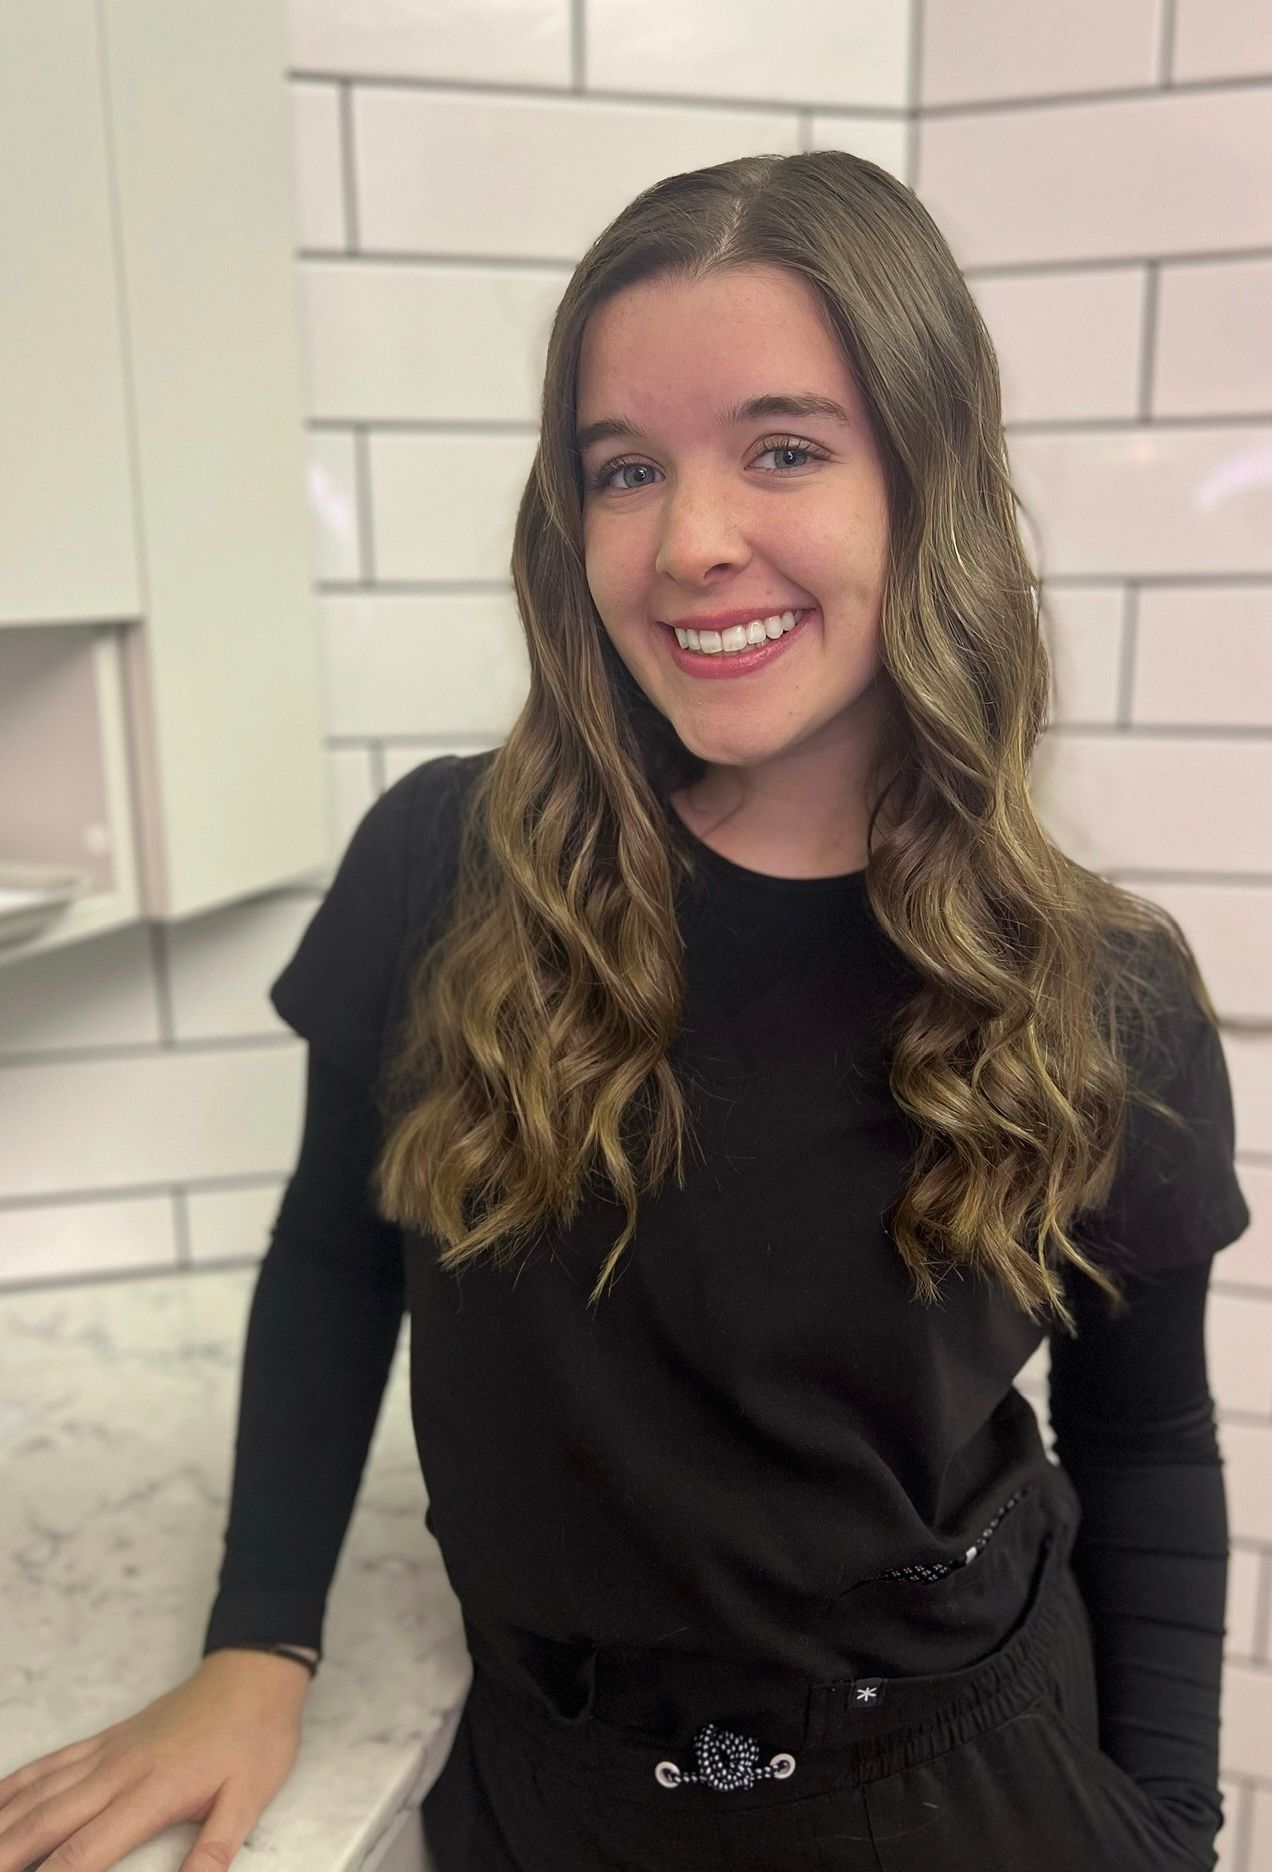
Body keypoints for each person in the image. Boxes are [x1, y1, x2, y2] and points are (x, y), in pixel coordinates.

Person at [0, 151, 1249, 1872]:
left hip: (958, 1789)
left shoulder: (1103, 989)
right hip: (547, 1783)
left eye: (786, 449)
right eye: (624, 469)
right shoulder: (447, 866)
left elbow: (1148, 1439)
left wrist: (1173, 1828)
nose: (688, 542)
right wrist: (257, 1639)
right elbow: (335, 1254)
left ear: (929, 484)